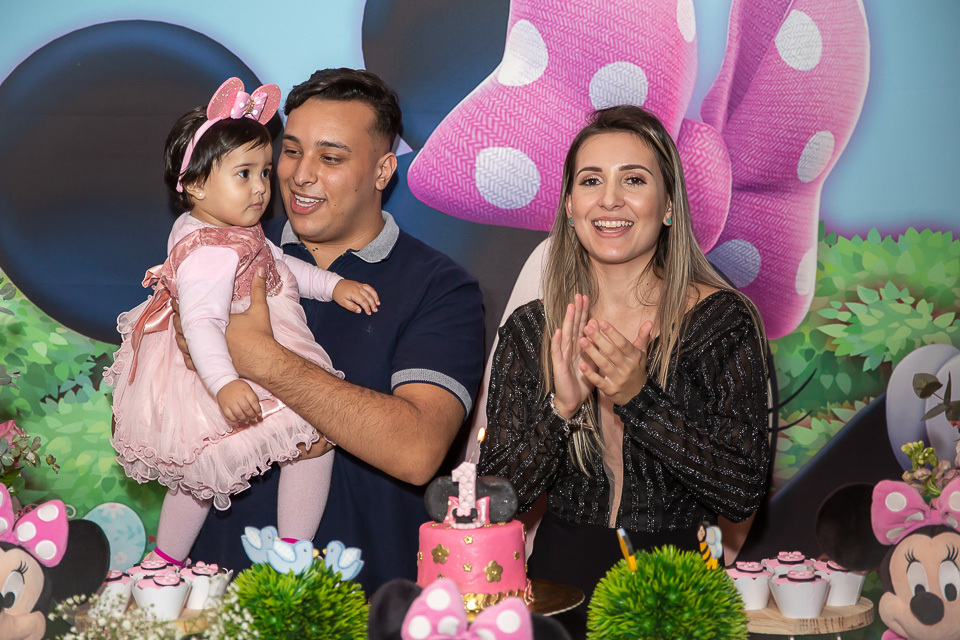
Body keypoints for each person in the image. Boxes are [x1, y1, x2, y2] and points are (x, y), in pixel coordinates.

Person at [477, 105, 771, 637]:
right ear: (570, 206)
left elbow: (741, 490)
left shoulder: (721, 321)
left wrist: (640, 398)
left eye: (633, 179)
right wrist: (560, 410)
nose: (609, 199)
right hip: (559, 582)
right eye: (591, 180)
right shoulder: (531, 328)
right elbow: (494, 501)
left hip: (676, 583)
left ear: (668, 205)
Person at [188, 68, 485, 595]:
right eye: (292, 151)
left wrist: (262, 358)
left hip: (360, 603)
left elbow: (417, 452)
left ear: (382, 170)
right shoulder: (218, 253)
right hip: (217, 595)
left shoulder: (439, 288)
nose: (300, 175)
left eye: (330, 158)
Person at [106, 78, 379, 567]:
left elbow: (278, 264)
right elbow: (201, 323)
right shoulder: (209, 253)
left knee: (201, 468)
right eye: (244, 174)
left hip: (228, 360)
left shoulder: (226, 230)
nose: (261, 188)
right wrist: (225, 382)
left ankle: (165, 560)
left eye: (265, 172)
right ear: (195, 185)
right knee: (313, 438)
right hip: (221, 367)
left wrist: (332, 285)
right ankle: (291, 552)